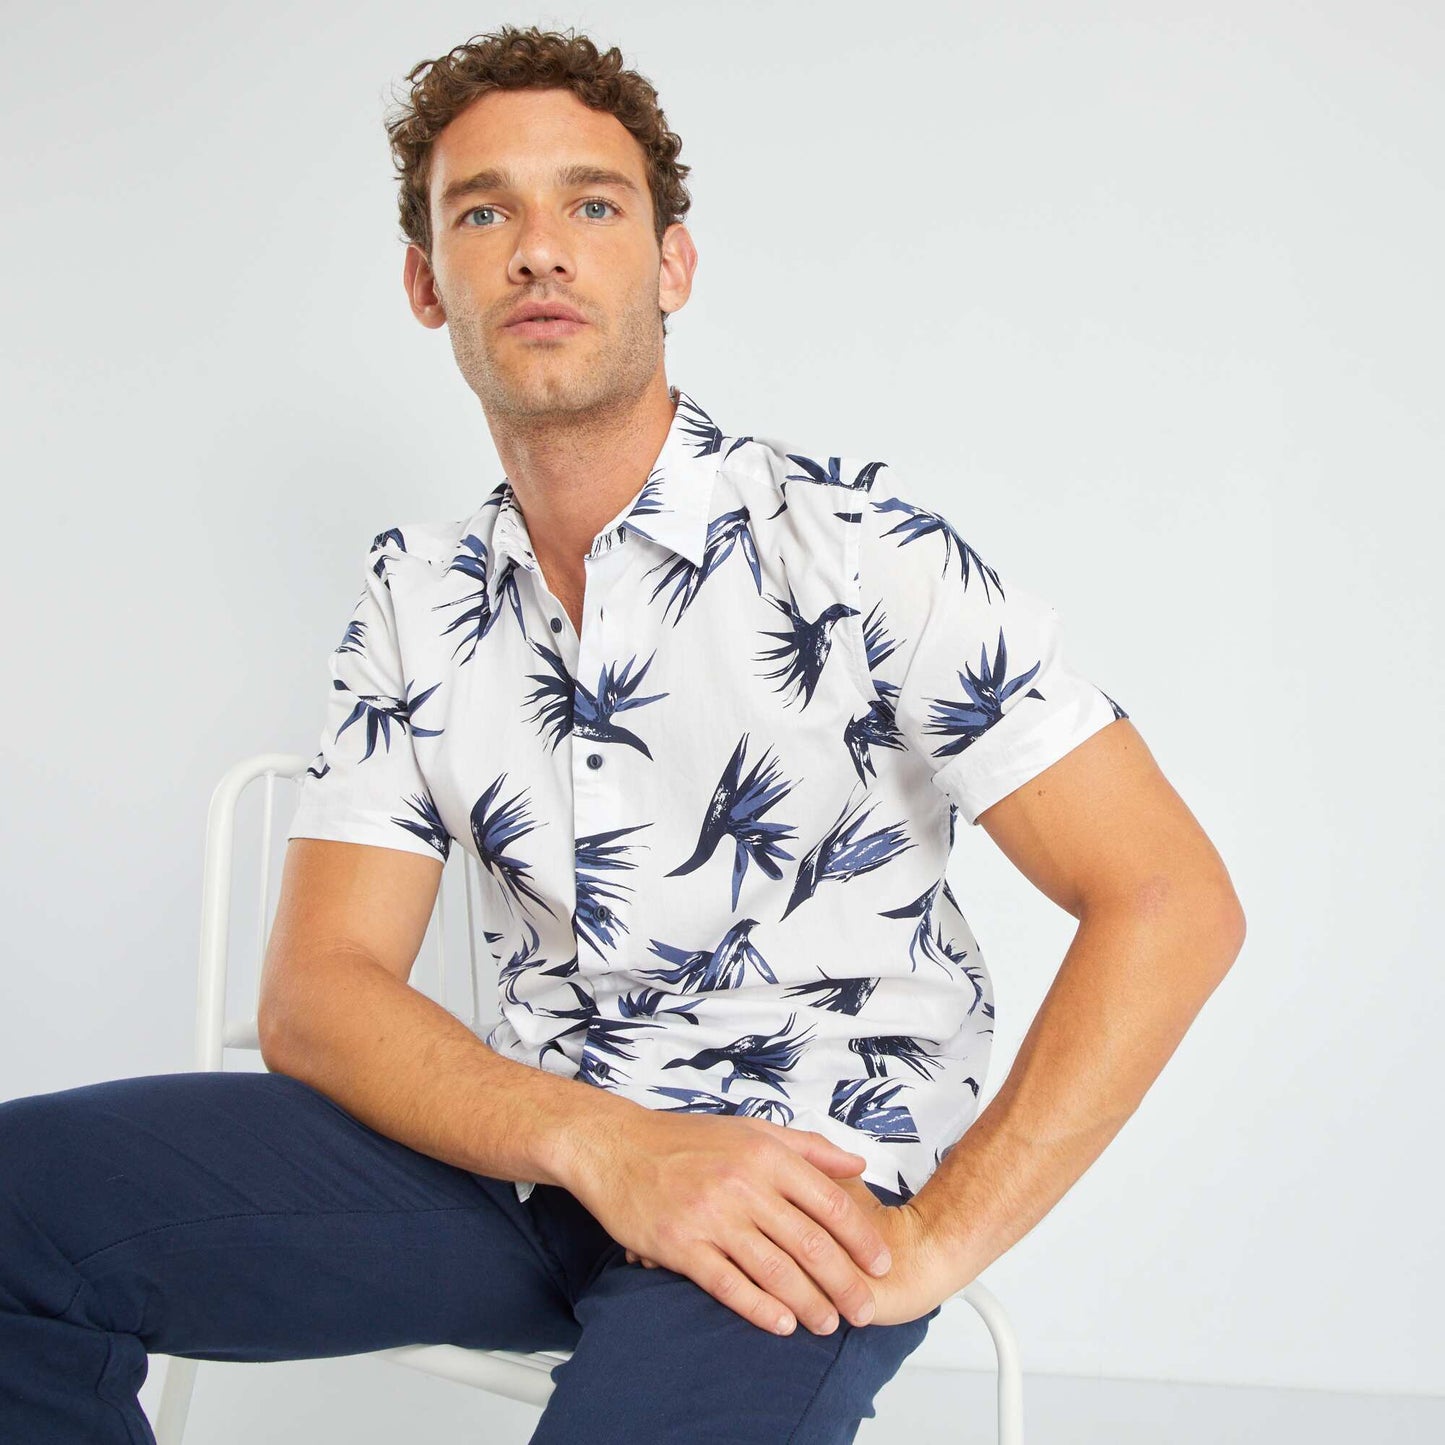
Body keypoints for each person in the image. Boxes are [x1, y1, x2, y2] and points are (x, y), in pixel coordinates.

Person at [0, 22, 1246, 1444]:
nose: (540, 250)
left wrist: (933, 1243)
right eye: (485, 214)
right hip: (522, 1162)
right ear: (426, 282)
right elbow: (318, 996)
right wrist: (608, 1144)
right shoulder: (419, 594)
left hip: (790, 1186)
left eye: (591, 205)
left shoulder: (858, 554)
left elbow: (1170, 898)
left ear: (671, 265)